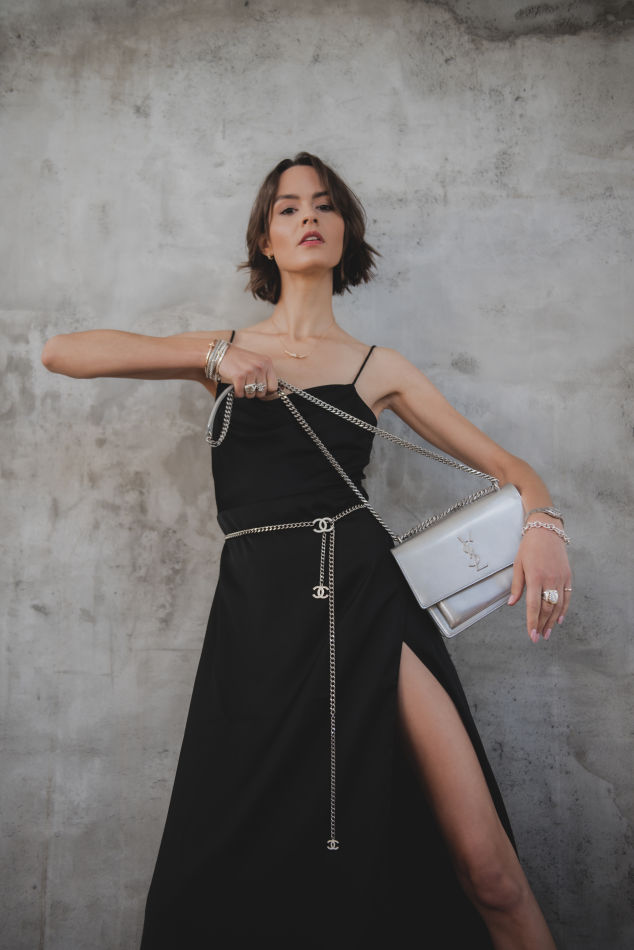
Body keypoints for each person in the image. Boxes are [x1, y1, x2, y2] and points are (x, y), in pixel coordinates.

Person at [41, 151, 571, 949]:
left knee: (489, 870)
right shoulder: (224, 347)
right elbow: (62, 352)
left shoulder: (380, 368)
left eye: (323, 205)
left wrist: (544, 529)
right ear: (266, 238)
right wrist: (211, 357)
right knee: (247, 869)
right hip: (259, 620)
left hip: (369, 600)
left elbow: (513, 471)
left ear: (345, 229)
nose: (308, 217)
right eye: (287, 208)